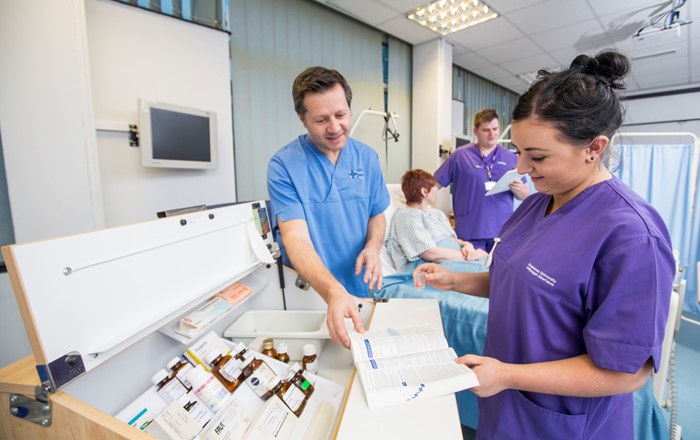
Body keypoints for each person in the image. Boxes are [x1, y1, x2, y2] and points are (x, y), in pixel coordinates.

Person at [416, 51, 675, 439]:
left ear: (594, 147)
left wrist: (507, 374)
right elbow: (519, 282)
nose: (520, 167)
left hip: (563, 423)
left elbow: (628, 371)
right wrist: (455, 281)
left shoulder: (632, 236)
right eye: (519, 151)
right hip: (507, 410)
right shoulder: (537, 202)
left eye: (536, 156)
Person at [267, 66, 390, 349]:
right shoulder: (284, 165)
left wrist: (373, 247)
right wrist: (333, 291)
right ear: (302, 119)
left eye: (341, 115)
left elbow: (376, 214)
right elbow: (295, 238)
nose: (334, 128)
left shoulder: (367, 158)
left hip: (360, 287)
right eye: (321, 119)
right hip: (313, 292)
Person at [433, 109, 529, 252]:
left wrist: (520, 190)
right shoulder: (460, 156)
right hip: (470, 232)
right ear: (475, 131)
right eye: (486, 130)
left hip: (501, 232)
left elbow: (524, 195)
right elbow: (434, 185)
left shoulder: (511, 157)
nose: (492, 133)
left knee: (497, 272)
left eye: (495, 129)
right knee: (471, 271)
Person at [385, 169, 487, 273]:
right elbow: (430, 254)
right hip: (427, 266)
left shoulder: (437, 214)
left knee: (491, 262)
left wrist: (467, 245)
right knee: (486, 273)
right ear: (424, 191)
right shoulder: (406, 216)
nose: (436, 190)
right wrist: (467, 256)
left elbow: (452, 239)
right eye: (434, 186)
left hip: (453, 259)